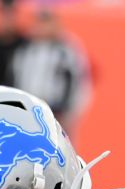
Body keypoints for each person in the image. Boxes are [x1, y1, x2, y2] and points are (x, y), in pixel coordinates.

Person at [8, 7, 91, 136]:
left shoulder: (67, 49)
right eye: (39, 22)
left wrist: (70, 114)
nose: (42, 27)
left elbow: (78, 83)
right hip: (28, 111)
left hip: (57, 112)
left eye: (47, 22)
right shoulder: (25, 48)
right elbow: (14, 77)